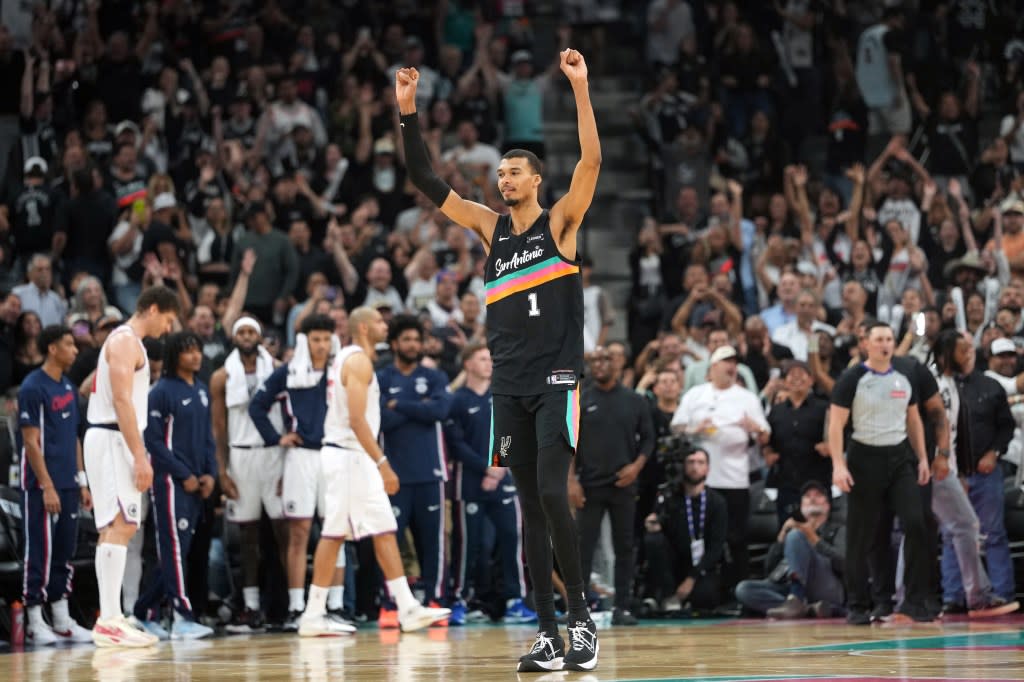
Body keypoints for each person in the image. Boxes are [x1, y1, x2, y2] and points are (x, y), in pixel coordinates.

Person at [398, 45, 601, 672]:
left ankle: (582, 621)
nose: (503, 181)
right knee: (528, 509)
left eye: (514, 174)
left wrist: (580, 88)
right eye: (502, 175)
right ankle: (546, 631)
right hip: (508, 384)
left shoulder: (561, 223)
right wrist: (407, 111)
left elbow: (591, 160)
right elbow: (427, 183)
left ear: (535, 180)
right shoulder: (490, 228)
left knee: (549, 492)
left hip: (556, 378)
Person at [298, 307, 449, 636]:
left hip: (354, 457)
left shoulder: (354, 359)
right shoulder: (358, 362)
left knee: (384, 528)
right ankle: (312, 615)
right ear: (365, 328)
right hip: (349, 456)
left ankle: (407, 607)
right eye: (381, 322)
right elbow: (355, 420)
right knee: (334, 533)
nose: (386, 326)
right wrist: (383, 464)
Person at [84, 285, 180, 647]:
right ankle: (108, 620)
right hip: (112, 436)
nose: (168, 329)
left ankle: (113, 616)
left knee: (121, 524)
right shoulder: (124, 341)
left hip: (114, 436)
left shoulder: (127, 342)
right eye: (168, 319)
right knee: (118, 523)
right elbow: (122, 400)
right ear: (153, 309)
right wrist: (140, 455)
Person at [248, 315, 350, 627]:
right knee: (299, 533)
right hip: (299, 458)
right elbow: (257, 406)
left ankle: (335, 605)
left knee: (335, 532)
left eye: (325, 338)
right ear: (305, 340)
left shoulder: (340, 371)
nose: (321, 344)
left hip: (334, 455)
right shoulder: (288, 373)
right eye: (315, 339)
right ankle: (297, 607)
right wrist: (276, 438)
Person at [828, 321, 932, 624]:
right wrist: (838, 464)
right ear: (866, 344)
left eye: (889, 338)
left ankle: (913, 601)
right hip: (864, 456)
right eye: (879, 339)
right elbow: (835, 426)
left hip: (899, 457)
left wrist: (922, 458)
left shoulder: (903, 377)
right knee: (862, 535)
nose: (885, 344)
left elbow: (914, 422)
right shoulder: (852, 379)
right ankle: (861, 605)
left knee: (916, 522)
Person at [134, 332, 217, 640]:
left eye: (198, 349)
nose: (195, 356)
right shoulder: (160, 393)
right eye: (188, 351)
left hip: (197, 483)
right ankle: (182, 616)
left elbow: (209, 439)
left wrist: (211, 474)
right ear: (174, 356)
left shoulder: (202, 390)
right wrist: (184, 475)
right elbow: (154, 442)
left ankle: (143, 612)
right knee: (173, 550)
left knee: (177, 552)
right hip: (170, 483)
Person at [444, 341, 533, 625]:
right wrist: (483, 469)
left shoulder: (502, 396)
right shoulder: (457, 400)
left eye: (490, 359)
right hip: (468, 483)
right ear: (468, 363)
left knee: (511, 538)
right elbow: (455, 444)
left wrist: (497, 468)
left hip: (501, 481)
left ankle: (514, 600)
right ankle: (459, 599)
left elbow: (508, 433)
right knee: (468, 544)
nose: (489, 364)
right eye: (483, 359)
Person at [671, 345, 770, 597]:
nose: (731, 366)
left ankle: (738, 593)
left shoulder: (747, 397)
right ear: (713, 367)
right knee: (702, 536)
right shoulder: (695, 394)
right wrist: (695, 429)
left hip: (735, 478)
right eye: (726, 361)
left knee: (737, 538)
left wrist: (755, 428)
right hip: (701, 479)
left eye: (734, 362)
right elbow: (675, 428)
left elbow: (765, 436)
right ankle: (704, 591)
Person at [932, 332, 1019, 616]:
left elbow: (1006, 427)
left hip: (983, 470)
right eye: (963, 349)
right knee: (952, 532)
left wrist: (993, 452)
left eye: (971, 349)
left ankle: (1000, 593)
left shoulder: (990, 386)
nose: (968, 354)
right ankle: (954, 596)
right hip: (951, 470)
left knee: (991, 533)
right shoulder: (941, 385)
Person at [210, 316, 287, 633]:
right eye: (241, 331)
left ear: (259, 336)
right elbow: (218, 428)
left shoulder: (281, 368)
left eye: (251, 331)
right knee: (247, 535)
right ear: (234, 337)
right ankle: (251, 606)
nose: (246, 336)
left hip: (274, 454)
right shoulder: (221, 376)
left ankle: (287, 604)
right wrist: (223, 471)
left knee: (284, 532)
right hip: (241, 455)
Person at [18, 325, 93, 645]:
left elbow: (76, 437)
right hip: (41, 484)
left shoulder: (69, 387)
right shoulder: (33, 387)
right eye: (68, 345)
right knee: (40, 551)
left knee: (64, 550)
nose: (75, 351)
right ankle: (35, 619)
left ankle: (61, 618)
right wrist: (46, 485)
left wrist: (82, 481)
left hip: (68, 482)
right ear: (52, 348)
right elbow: (31, 443)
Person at [570, 346, 654, 625]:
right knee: (583, 547)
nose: (600, 365)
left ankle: (623, 607)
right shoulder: (580, 399)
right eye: (595, 360)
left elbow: (649, 440)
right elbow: (569, 443)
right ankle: (577, 609)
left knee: (625, 547)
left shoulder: (635, 400)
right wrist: (571, 481)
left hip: (623, 484)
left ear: (617, 364)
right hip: (589, 485)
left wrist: (636, 466)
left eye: (606, 359)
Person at [377, 315, 453, 618]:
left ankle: (434, 599)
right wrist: (419, 407)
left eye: (416, 340)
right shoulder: (382, 378)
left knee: (433, 541)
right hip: (393, 474)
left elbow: (440, 410)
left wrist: (401, 405)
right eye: (406, 339)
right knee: (389, 539)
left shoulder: (435, 377)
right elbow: (380, 419)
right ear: (394, 343)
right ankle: (391, 603)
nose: (412, 345)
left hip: (430, 473)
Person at [735, 481, 846, 618]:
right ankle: (808, 609)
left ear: (827, 505)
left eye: (818, 495)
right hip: (790, 587)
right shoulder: (792, 533)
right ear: (801, 506)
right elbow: (769, 569)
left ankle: (797, 599)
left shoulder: (837, 530)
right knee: (744, 589)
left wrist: (814, 540)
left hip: (825, 585)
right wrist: (782, 536)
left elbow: (844, 564)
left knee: (796, 535)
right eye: (807, 496)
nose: (812, 498)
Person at [642, 448, 727, 611]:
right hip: (672, 564)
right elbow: (656, 526)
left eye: (700, 462)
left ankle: (682, 598)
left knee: (706, 597)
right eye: (691, 462)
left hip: (699, 566)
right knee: (653, 539)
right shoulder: (669, 497)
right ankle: (667, 594)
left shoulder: (717, 502)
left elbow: (716, 547)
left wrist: (691, 578)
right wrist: (652, 524)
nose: (695, 467)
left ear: (707, 468)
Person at [763, 361, 830, 525]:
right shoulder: (776, 411)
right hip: (786, 481)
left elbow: (836, 437)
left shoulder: (823, 408)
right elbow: (768, 442)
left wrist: (829, 446)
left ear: (811, 380)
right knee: (786, 528)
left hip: (817, 481)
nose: (796, 378)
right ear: (785, 382)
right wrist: (767, 453)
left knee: (818, 532)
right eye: (791, 375)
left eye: (802, 374)